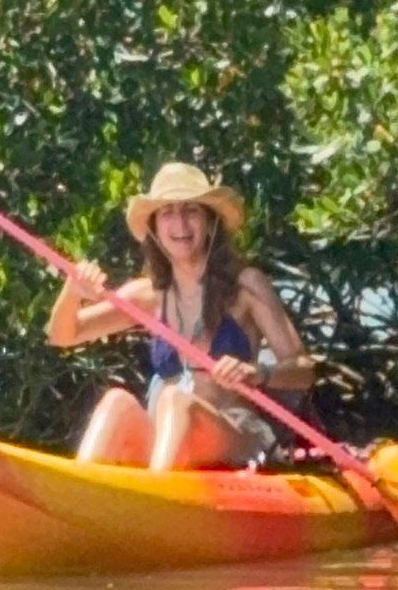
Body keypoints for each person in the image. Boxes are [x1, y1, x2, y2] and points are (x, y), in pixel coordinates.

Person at [45, 162, 315, 471]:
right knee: (117, 401)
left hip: (235, 434)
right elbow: (61, 335)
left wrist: (257, 373)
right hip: (166, 437)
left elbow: (302, 369)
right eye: (168, 213)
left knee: (176, 400)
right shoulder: (146, 295)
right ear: (156, 228)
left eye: (191, 211)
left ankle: (156, 498)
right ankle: (81, 493)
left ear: (210, 222)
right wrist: (73, 290)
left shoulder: (246, 286)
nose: (180, 225)